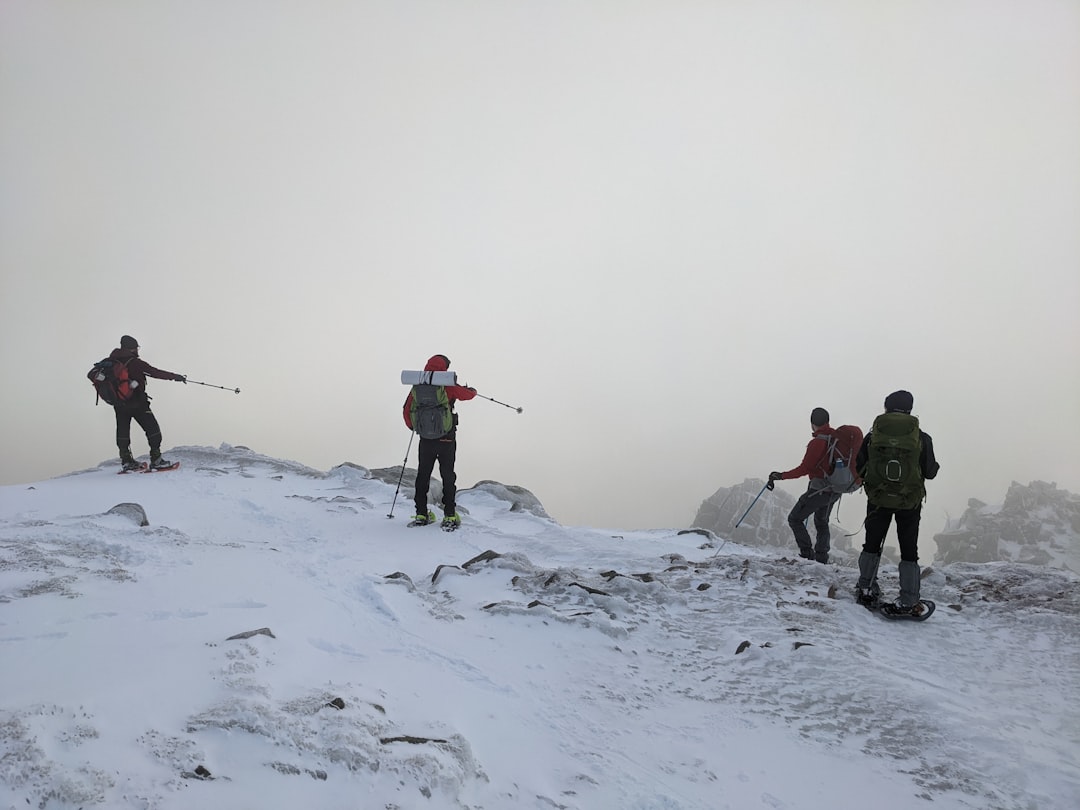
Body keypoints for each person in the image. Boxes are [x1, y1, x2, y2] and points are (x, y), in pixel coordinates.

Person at [854, 390, 940, 616]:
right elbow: (930, 471)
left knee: (872, 543)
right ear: (910, 410)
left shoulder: (873, 436)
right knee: (909, 548)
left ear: (886, 408)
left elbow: (859, 466)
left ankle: (866, 588)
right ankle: (909, 599)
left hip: (878, 498)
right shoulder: (922, 438)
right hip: (909, 500)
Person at [402, 354, 476, 528]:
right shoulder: (446, 384)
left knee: (423, 475)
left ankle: (421, 513)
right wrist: (472, 390)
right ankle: (449, 515)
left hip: (425, 439)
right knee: (448, 476)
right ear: (445, 367)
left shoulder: (418, 386)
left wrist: (415, 427)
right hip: (446, 439)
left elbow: (407, 410)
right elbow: (467, 395)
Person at [767, 407, 840, 563]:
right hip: (836, 489)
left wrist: (781, 476)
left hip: (819, 490)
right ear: (827, 421)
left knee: (795, 519)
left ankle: (807, 554)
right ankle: (821, 558)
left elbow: (804, 469)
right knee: (822, 522)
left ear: (812, 424)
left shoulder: (818, 442)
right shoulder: (836, 439)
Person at [108, 335, 187, 471]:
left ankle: (127, 461)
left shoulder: (111, 362)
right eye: (136, 347)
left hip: (119, 403)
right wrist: (176, 377)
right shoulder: (136, 363)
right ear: (132, 348)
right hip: (138, 402)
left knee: (123, 431)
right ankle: (156, 460)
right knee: (153, 430)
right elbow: (155, 372)